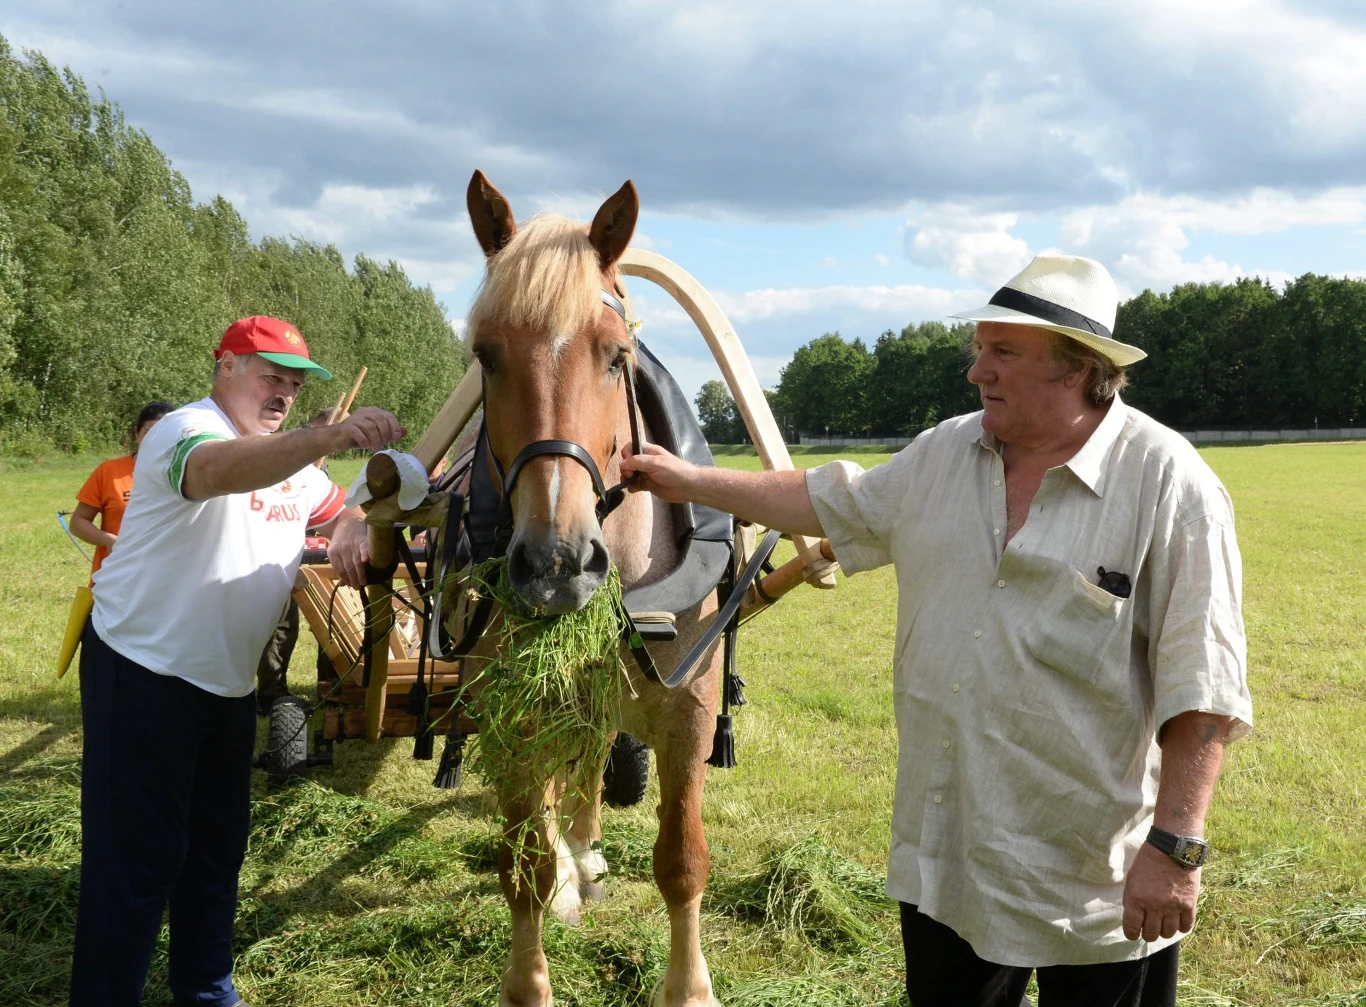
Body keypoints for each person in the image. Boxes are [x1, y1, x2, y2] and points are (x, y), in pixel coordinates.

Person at [622, 255, 1253, 1007]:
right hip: (948, 862)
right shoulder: (945, 454)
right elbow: (825, 501)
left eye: (1003, 352)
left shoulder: (1172, 486)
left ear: (1078, 369)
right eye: (979, 347)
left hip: (1097, 881)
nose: (976, 370)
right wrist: (685, 478)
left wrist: (1175, 848)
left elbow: (1204, 689)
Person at [72, 315, 405, 1007]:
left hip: (225, 685)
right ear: (225, 366)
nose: (283, 392)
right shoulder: (186, 431)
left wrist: (347, 523)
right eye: (270, 376)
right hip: (143, 670)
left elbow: (335, 507)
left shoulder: (291, 465)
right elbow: (216, 474)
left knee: (216, 852)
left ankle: (203, 988)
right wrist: (327, 435)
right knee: (136, 862)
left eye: (294, 382)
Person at [255, 407, 351, 713]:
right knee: (277, 624)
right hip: (272, 559)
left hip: (309, 556)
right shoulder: (279, 456)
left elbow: (336, 511)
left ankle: (319, 688)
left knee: (317, 623)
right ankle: (270, 694)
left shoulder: (315, 473)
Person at [70, 401, 176, 577]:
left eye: (164, 434)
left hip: (166, 577)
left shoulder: (184, 474)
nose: (155, 441)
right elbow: (78, 522)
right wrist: (108, 540)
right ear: (137, 433)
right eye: (149, 433)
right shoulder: (110, 471)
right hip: (115, 577)